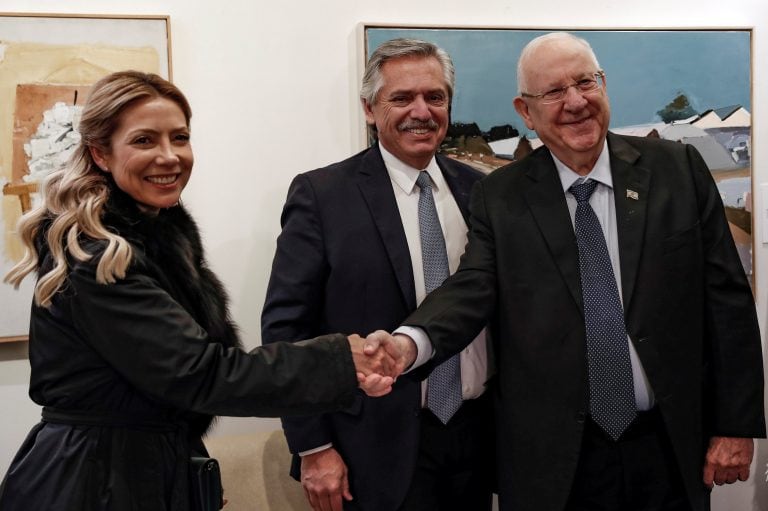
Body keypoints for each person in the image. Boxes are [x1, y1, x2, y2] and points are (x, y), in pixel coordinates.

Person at [367, 32, 766, 511]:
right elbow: (473, 288)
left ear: (604, 85)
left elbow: (727, 304)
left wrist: (736, 425)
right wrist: (410, 342)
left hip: (667, 445)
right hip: (555, 464)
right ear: (525, 110)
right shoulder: (502, 196)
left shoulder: (676, 170)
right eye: (554, 92)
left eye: (586, 83)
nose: (575, 102)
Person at [0, 70, 399, 511]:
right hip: (90, 482)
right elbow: (201, 374)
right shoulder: (97, 256)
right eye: (144, 141)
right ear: (100, 153)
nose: (170, 157)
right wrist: (344, 358)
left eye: (180, 137)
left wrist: (188, 470)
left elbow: (168, 388)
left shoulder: (154, 236)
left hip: (135, 470)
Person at [261, 39, 494, 511]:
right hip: (370, 447)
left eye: (435, 97)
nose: (422, 111)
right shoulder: (323, 196)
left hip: (479, 437)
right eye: (402, 98)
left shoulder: (482, 191)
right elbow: (286, 332)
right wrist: (313, 447)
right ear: (369, 109)